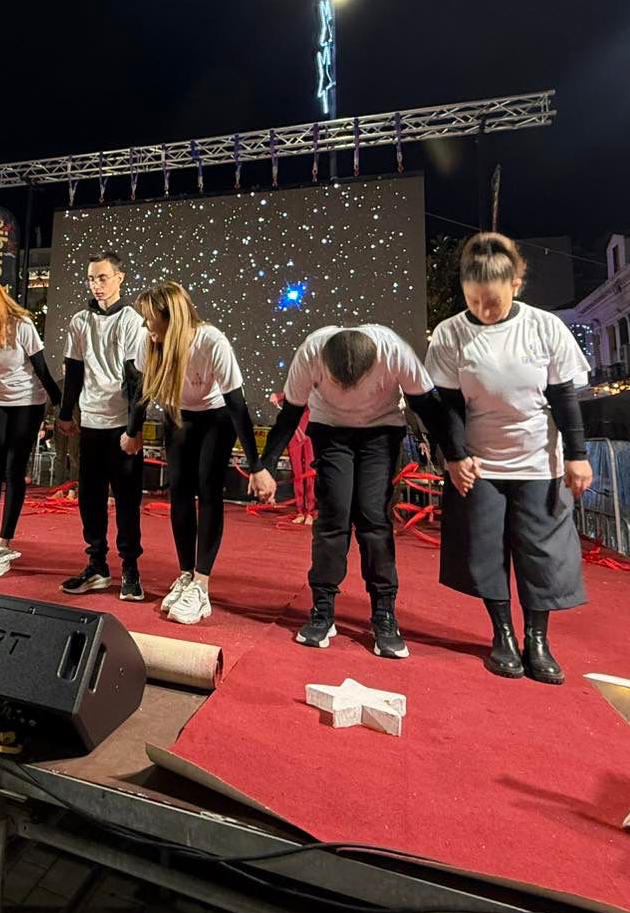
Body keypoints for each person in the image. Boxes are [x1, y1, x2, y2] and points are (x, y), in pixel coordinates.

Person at [424, 233, 593, 686]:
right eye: (474, 300)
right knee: (484, 551)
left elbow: (564, 397)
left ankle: (537, 640)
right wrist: (455, 456)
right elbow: (448, 406)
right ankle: (502, 634)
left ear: (516, 284)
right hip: (480, 464)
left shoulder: (544, 327)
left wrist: (577, 456)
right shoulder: (450, 333)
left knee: (543, 553)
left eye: (494, 301)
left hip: (539, 460)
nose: (485, 309)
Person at [253, 324, 455, 659]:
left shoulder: (394, 351)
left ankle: (384, 613)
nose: (348, 392)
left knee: (373, 517)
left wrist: (456, 456)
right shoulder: (311, 352)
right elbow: (290, 415)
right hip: (331, 431)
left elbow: (427, 406)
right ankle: (322, 609)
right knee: (334, 515)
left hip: (381, 431)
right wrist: (266, 466)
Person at [131, 282, 260, 624]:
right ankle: (186, 574)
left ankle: (201, 585)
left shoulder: (211, 341)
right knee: (179, 492)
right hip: (179, 416)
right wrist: (132, 432)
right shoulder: (150, 342)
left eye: (151, 319)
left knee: (207, 488)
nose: (146, 326)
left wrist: (257, 465)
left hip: (217, 417)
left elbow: (237, 405)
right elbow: (140, 391)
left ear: (171, 318)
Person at [56, 252, 148, 600]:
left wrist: (134, 429)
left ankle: (130, 568)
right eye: (92, 278)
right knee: (90, 497)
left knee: (126, 498)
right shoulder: (80, 321)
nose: (96, 285)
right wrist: (66, 413)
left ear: (120, 278)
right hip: (91, 421)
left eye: (103, 277)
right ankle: (97, 565)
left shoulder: (131, 320)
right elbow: (74, 370)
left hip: (121, 423)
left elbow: (137, 379)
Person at [0, 275, 63, 552]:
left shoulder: (21, 325)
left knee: (13, 467)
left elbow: (42, 369)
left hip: (28, 401)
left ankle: (4, 540)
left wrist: (61, 408)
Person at [270, 391, 316, 526]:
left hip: (309, 431)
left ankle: (310, 512)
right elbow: (291, 392)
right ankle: (300, 511)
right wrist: (278, 396)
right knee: (297, 473)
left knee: (309, 473)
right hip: (294, 433)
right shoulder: (295, 385)